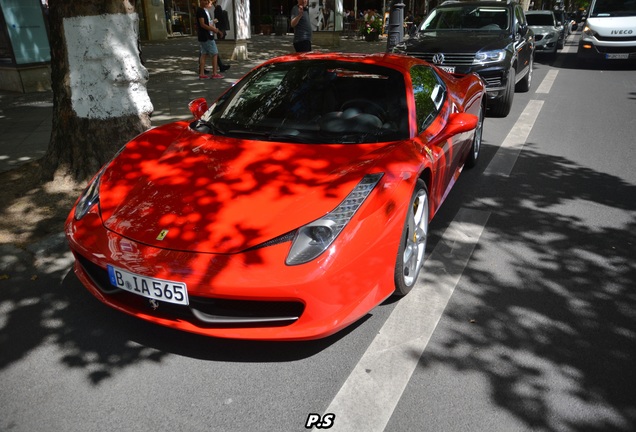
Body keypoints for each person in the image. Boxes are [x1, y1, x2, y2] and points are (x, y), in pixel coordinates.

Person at [196, 0, 223, 79]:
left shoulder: (204, 10)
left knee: (203, 54)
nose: (210, 4)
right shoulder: (200, 11)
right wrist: (214, 30)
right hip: (206, 35)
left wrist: (212, 24)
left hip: (205, 35)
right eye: (209, 2)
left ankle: (202, 73)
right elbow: (203, 24)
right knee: (214, 53)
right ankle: (214, 73)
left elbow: (206, 23)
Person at [211, 0, 230, 72]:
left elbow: (218, 19)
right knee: (212, 51)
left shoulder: (217, 9)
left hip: (220, 29)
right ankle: (219, 68)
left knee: (212, 51)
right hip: (220, 29)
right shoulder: (218, 8)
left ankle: (220, 66)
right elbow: (219, 19)